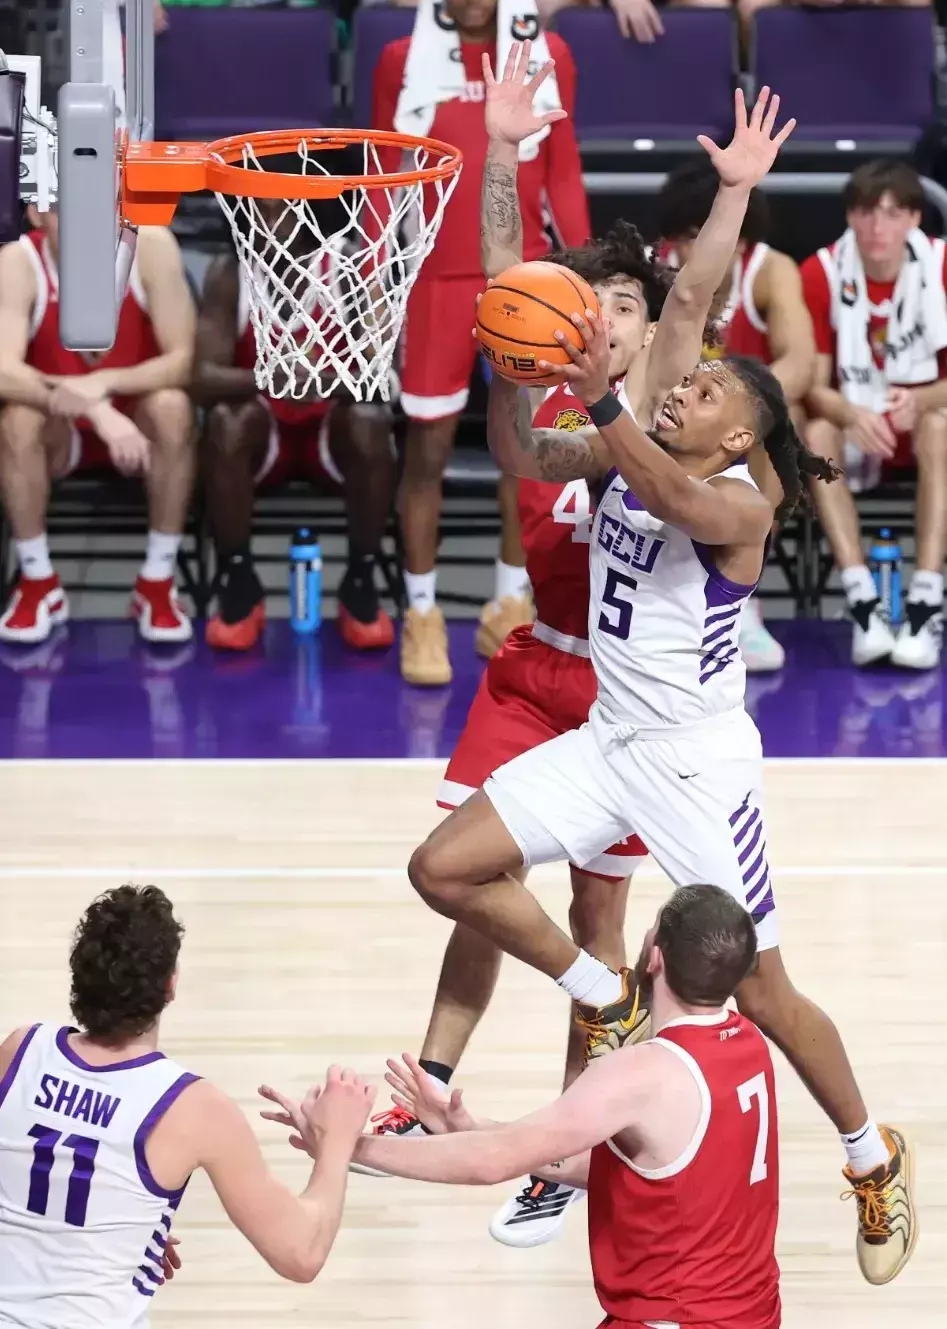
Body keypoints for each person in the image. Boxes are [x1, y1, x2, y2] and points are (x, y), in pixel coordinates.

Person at [403, 92, 918, 1287]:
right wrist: (508, 168)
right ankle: (598, 993)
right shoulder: (616, 447)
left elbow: (671, 407)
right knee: (443, 869)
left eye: (707, 395)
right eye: (681, 386)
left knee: (761, 987)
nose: (684, 389)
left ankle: (866, 1151)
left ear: (738, 436)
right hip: (606, 736)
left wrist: (730, 208)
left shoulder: (739, 505)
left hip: (694, 762)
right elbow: (541, 433)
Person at [361, 43, 653, 1251]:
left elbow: (678, 324)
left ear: (651, 331)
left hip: (628, 696)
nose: (609, 319)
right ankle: (431, 1087)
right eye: (596, 304)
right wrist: (495, 146)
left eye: (629, 307)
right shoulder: (537, 395)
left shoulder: (673, 415)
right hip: (536, 667)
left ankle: (573, 1153)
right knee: (475, 891)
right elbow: (499, 277)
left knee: (595, 924)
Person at [262, 886, 783, 1329]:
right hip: (752, 1315)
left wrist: (347, 1145)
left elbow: (492, 1163)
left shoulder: (641, 1073)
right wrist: (466, 1125)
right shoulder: (749, 1048)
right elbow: (630, 1169)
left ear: (655, 957)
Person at [0, 885, 375, 1327]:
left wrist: (115, 1223)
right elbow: (301, 1253)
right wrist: (338, 1140)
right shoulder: (193, 1107)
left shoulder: (21, 1049)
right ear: (170, 985)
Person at [372, 0, 590, 686]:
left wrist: (582, 269)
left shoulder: (548, 52)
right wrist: (380, 267)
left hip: (525, 280)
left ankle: (508, 601)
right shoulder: (399, 60)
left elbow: (561, 165)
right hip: (434, 279)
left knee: (525, 454)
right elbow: (384, 168)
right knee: (426, 452)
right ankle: (421, 611)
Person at [192, 196, 396, 653]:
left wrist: (320, 380)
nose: (268, 222)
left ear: (309, 212)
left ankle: (361, 580)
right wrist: (274, 378)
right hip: (265, 434)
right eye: (258, 211)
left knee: (370, 420)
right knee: (225, 422)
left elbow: (382, 377)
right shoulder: (231, 274)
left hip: (330, 432)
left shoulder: (347, 267)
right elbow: (200, 378)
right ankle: (240, 580)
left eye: (278, 210)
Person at [0, 211, 196, 645]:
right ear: (36, 212)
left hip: (136, 425)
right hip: (59, 429)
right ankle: (37, 582)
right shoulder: (19, 260)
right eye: (64, 206)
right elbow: (3, 371)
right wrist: (97, 411)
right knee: (16, 417)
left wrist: (102, 386)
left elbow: (181, 362)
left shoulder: (151, 247)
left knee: (173, 407)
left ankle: (158, 581)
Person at [657, 157, 817, 673]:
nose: (691, 250)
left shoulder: (771, 270)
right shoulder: (654, 270)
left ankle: (738, 600)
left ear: (741, 240)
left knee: (769, 440)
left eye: (701, 235)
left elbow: (799, 361)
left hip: (730, 431)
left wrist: (742, 412)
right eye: (683, 237)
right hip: (662, 416)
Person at [800, 159, 947, 670]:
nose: (877, 227)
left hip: (923, 426)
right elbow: (812, 384)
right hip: (858, 426)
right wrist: (847, 411)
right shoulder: (820, 271)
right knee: (816, 429)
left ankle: (926, 601)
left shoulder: (943, 266)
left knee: (940, 425)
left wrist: (924, 399)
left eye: (891, 213)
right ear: (850, 217)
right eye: (866, 212)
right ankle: (863, 601)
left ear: (913, 220)